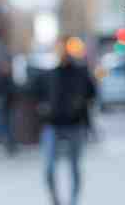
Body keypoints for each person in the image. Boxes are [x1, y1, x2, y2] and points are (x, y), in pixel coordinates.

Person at [33, 36, 96, 205]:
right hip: (52, 125)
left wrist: (80, 102)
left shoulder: (81, 72)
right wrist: (43, 108)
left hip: (75, 125)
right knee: (49, 169)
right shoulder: (49, 74)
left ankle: (73, 201)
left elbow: (92, 93)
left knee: (75, 167)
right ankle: (56, 201)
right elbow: (35, 93)